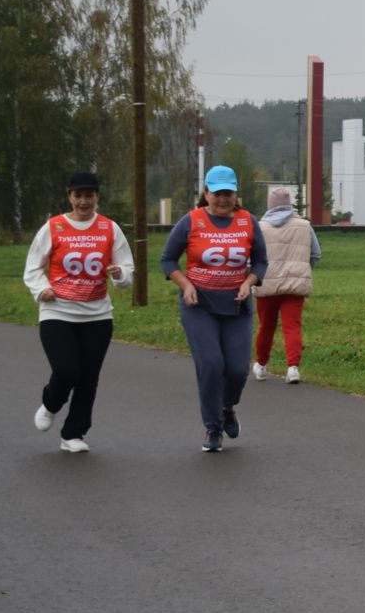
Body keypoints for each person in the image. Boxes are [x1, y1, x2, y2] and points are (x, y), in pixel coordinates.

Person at [22, 172, 134, 453]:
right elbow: (33, 267)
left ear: (97, 197)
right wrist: (40, 289)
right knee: (67, 370)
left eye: (89, 195)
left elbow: (128, 271)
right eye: (78, 196)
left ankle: (74, 434)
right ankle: (50, 402)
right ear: (69, 196)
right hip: (57, 311)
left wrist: (120, 274)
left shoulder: (110, 228)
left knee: (88, 377)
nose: (84, 201)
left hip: (97, 315)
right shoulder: (54, 227)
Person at [160, 166, 267, 452]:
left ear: (235, 194)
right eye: (216, 193)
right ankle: (212, 428)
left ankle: (227, 407)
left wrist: (250, 281)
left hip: (236, 305)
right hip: (200, 306)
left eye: (228, 193)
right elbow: (168, 260)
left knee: (237, 369)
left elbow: (260, 262)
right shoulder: (191, 221)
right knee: (210, 364)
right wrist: (186, 285)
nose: (222, 199)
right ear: (205, 193)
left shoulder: (248, 222)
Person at [251, 186, 320, 384]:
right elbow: (316, 254)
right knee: (292, 327)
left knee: (266, 326)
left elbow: (251, 257)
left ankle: (261, 366)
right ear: (289, 203)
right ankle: (293, 368)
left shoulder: (259, 227)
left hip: (266, 285)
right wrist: (302, 270)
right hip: (294, 285)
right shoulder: (304, 226)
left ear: (269, 204)